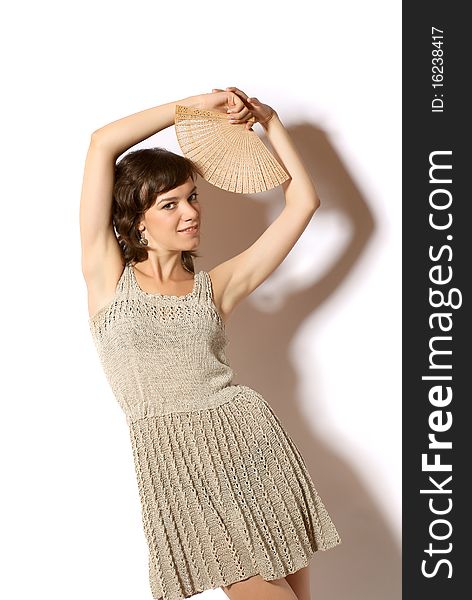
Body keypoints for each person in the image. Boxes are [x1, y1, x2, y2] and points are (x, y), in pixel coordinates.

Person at [80, 86, 341, 600]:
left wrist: (271, 121)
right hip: (178, 466)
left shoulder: (216, 287)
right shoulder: (107, 277)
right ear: (137, 218)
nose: (191, 212)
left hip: (252, 447)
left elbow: (304, 202)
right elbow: (101, 143)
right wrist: (194, 106)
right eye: (170, 204)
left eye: (193, 198)